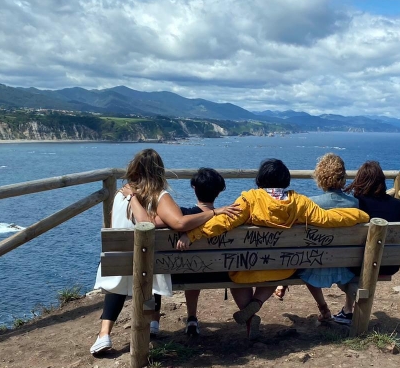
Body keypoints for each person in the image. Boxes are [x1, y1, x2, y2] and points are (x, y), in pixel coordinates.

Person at [175, 158, 369, 340]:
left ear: (261, 178)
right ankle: (256, 304)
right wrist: (360, 215)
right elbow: (327, 219)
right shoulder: (299, 202)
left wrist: (191, 235)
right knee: (273, 272)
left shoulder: (250, 199)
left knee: (237, 274)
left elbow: (223, 222)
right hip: (283, 268)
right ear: (285, 179)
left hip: (246, 269)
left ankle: (251, 315)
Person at [90, 149, 240, 355]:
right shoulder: (159, 196)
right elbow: (176, 222)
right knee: (154, 261)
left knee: (146, 261)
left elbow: (144, 222)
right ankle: (153, 321)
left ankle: (104, 334)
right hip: (151, 266)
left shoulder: (119, 194)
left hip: (119, 262)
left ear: (134, 168)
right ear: (159, 170)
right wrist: (214, 212)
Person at [273, 153, 358, 322]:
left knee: (305, 258)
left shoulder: (310, 203)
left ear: (320, 176)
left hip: (313, 264)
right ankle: (348, 309)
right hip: (344, 266)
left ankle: (322, 307)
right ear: (343, 176)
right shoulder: (355, 203)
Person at [332, 160, 400, 326]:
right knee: (360, 258)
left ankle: (349, 311)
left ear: (360, 180)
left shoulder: (357, 203)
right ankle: (347, 309)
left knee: (352, 261)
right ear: (381, 181)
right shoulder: (398, 204)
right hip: (388, 264)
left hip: (356, 264)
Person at [174, 168, 228, 336]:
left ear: (194, 189)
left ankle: (190, 318)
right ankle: (249, 319)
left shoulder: (183, 216)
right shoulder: (227, 218)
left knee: (191, 265)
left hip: (184, 274)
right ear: (218, 193)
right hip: (222, 273)